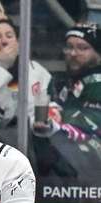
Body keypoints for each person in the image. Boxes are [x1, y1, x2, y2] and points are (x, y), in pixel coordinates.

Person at [33, 24, 101, 183]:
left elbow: (94, 120)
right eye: (69, 47)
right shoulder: (66, 82)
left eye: (82, 48)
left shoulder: (97, 82)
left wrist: (59, 118)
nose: (73, 53)